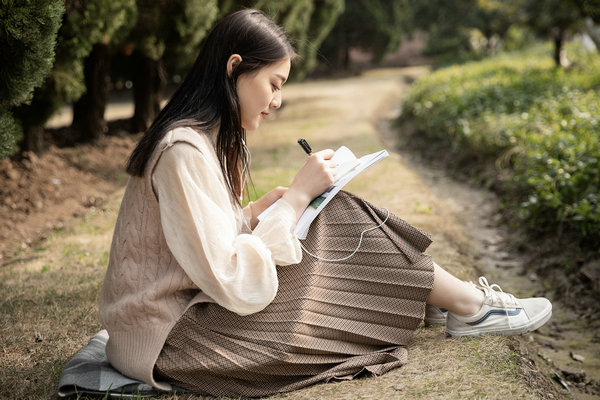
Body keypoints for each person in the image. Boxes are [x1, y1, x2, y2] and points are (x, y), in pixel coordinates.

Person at [98, 9, 552, 397]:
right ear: (234, 67)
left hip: (187, 322)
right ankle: (467, 306)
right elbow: (233, 280)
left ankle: (452, 302)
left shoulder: (201, 141)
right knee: (330, 214)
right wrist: (295, 198)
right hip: (177, 343)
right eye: (274, 84)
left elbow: (198, 239)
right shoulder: (183, 149)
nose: (276, 101)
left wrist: (257, 211)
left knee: (326, 210)